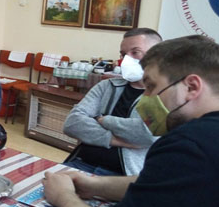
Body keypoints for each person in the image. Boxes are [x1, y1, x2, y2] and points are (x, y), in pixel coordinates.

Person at [45, 35, 219, 207]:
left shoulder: (192, 146)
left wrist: (64, 197)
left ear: (191, 86)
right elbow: (160, 187)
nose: (145, 99)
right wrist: (94, 185)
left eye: (151, 87)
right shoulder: (211, 140)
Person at [63, 28, 163, 176]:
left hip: (123, 176)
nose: (126, 60)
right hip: (81, 163)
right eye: (123, 54)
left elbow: (148, 134)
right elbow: (72, 123)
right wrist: (115, 140)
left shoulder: (162, 93)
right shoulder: (107, 86)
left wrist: (103, 120)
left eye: (135, 52)